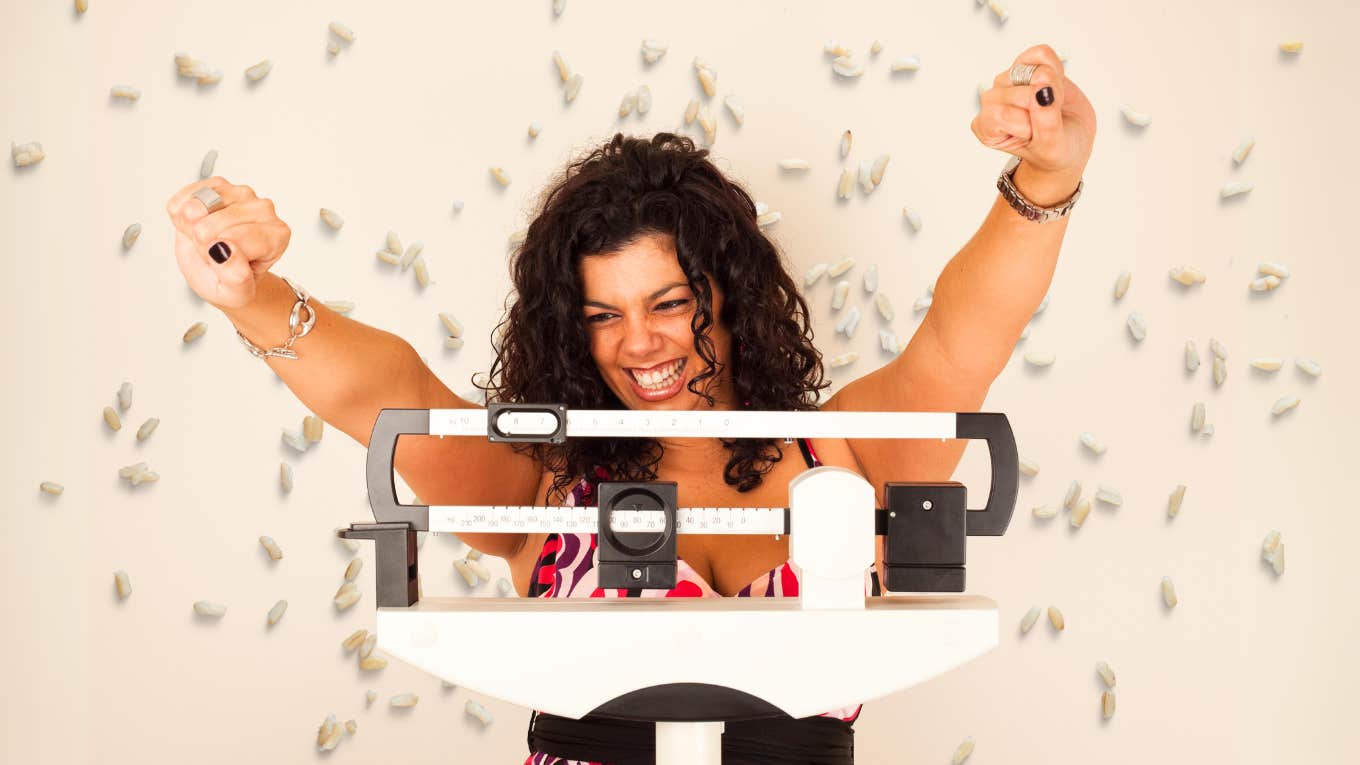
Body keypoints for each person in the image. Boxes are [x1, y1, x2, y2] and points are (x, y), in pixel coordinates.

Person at [164, 44, 1094, 765]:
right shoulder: (545, 479)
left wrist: (1046, 179)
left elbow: (963, 335)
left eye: (670, 303)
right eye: (603, 314)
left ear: (731, 293)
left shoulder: (846, 452)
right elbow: (393, 392)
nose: (636, 343)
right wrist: (253, 293)